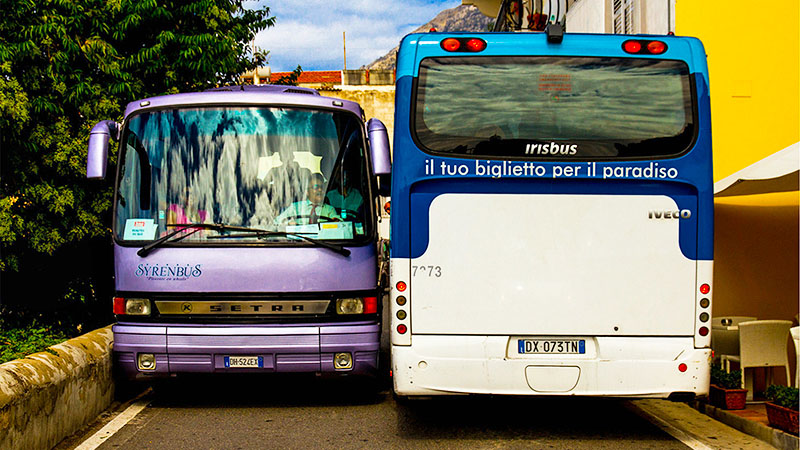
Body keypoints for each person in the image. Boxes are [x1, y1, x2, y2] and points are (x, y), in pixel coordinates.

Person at [274, 173, 340, 225]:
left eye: (322, 187)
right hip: (300, 241)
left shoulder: (329, 210)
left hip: (322, 241)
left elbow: (338, 222)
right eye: (316, 187)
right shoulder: (295, 207)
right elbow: (277, 222)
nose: (320, 190)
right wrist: (288, 224)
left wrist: (335, 221)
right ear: (307, 192)